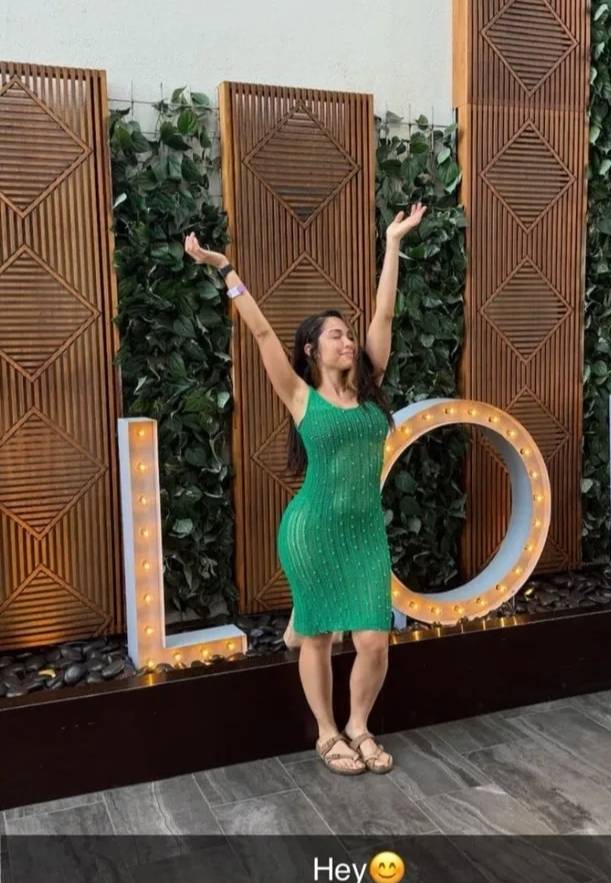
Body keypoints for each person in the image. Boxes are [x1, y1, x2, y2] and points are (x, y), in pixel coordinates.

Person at [184, 201, 427, 775]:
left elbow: (385, 314)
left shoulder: (370, 387)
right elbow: (262, 330)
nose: (348, 341)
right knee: (320, 637)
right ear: (312, 350)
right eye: (336, 336)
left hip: (364, 533)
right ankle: (327, 733)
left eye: (349, 335)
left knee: (374, 640)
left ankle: (359, 725)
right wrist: (223, 267)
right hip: (311, 531)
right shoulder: (300, 396)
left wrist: (393, 243)